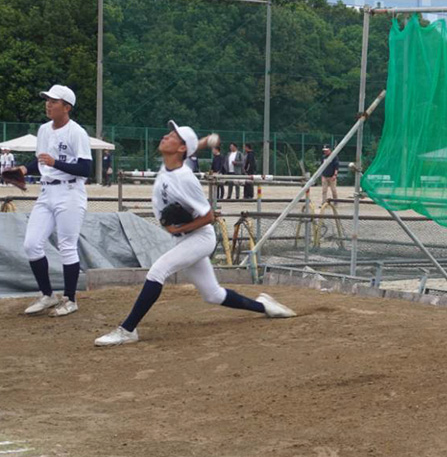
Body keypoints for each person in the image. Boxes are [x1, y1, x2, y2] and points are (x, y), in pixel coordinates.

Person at [94, 121, 296, 347]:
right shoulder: (169, 165)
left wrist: (179, 229)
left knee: (158, 271)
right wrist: (205, 141)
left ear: (181, 148)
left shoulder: (185, 178)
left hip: (199, 237)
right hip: (185, 238)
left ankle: (127, 330)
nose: (166, 137)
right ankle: (265, 306)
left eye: (173, 136)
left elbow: (209, 216)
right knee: (213, 295)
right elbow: (188, 149)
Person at [16, 85, 92, 317]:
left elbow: (85, 168)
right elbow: (40, 161)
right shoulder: (43, 130)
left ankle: (70, 299)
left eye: (53, 101)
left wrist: (55, 163)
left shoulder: (76, 132)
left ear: (66, 107)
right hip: (47, 191)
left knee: (67, 245)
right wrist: (23, 169)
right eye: (47, 100)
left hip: (70, 192)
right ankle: (48, 295)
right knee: (31, 244)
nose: (48, 104)